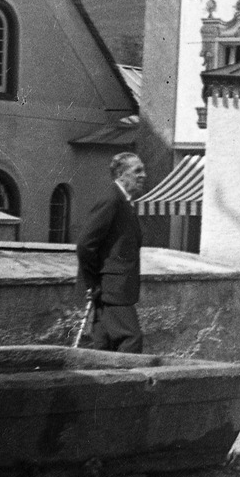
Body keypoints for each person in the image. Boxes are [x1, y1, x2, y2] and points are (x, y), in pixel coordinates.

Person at [76, 151, 146, 353]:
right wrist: (93, 283)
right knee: (131, 339)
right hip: (111, 290)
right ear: (122, 174)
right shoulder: (112, 200)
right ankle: (125, 384)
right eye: (137, 171)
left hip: (112, 289)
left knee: (102, 345)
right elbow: (85, 244)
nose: (143, 175)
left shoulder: (124, 202)